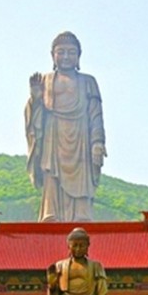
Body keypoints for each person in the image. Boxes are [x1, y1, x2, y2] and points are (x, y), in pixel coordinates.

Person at [25, 31, 107, 222]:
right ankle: (51, 214)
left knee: (82, 175)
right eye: (61, 52)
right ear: (52, 55)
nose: (66, 56)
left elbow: (96, 115)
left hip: (81, 136)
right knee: (51, 173)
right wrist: (36, 99)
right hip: (53, 134)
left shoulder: (88, 82)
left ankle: (81, 215)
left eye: (71, 52)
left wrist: (97, 142)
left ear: (79, 56)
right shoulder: (45, 80)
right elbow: (35, 115)